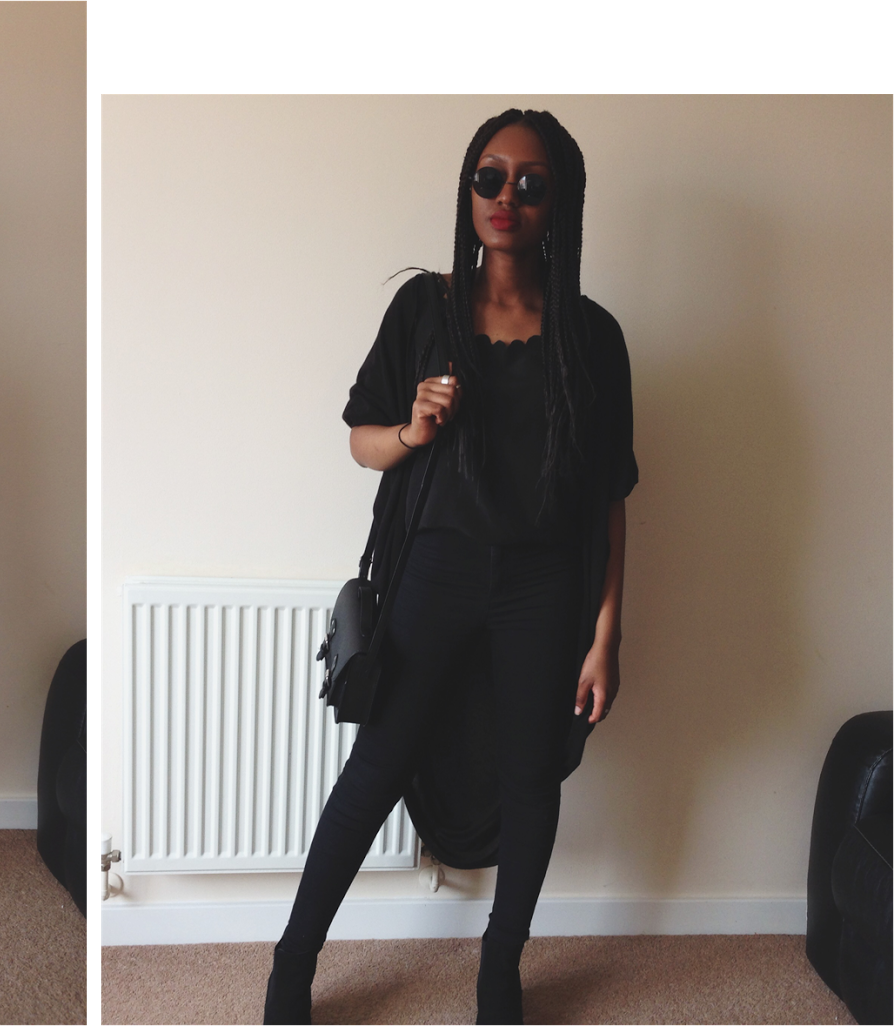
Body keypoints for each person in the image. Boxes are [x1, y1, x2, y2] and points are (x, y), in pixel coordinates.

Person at [263, 109, 637, 1026]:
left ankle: (500, 971)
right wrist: (414, 430)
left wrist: (606, 634)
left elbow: (608, 498)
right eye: (488, 176)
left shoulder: (592, 336)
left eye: (531, 183)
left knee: (530, 778)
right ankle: (292, 963)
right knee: (376, 767)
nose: (506, 196)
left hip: (542, 586)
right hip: (435, 570)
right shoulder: (423, 309)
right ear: (467, 187)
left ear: (561, 203)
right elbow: (362, 441)